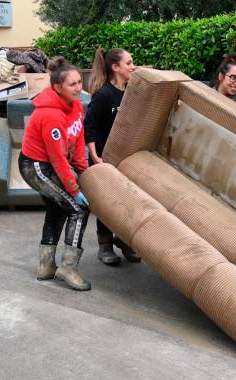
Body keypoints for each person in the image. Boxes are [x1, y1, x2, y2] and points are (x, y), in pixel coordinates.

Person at [18, 56, 91, 291]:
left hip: (52, 163)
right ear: (57, 88)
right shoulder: (50, 115)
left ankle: (46, 266)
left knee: (58, 206)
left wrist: (84, 171)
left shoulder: (77, 105)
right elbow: (58, 158)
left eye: (80, 82)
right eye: (73, 84)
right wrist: (74, 189)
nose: (78, 88)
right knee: (78, 209)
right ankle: (69, 267)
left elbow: (78, 139)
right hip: (35, 166)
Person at [84, 47, 141, 265]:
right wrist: (95, 157)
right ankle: (105, 245)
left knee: (128, 200)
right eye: (129, 63)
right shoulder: (104, 94)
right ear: (115, 67)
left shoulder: (131, 93)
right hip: (103, 156)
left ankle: (124, 240)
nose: (133, 66)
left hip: (123, 156)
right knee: (107, 202)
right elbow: (88, 126)